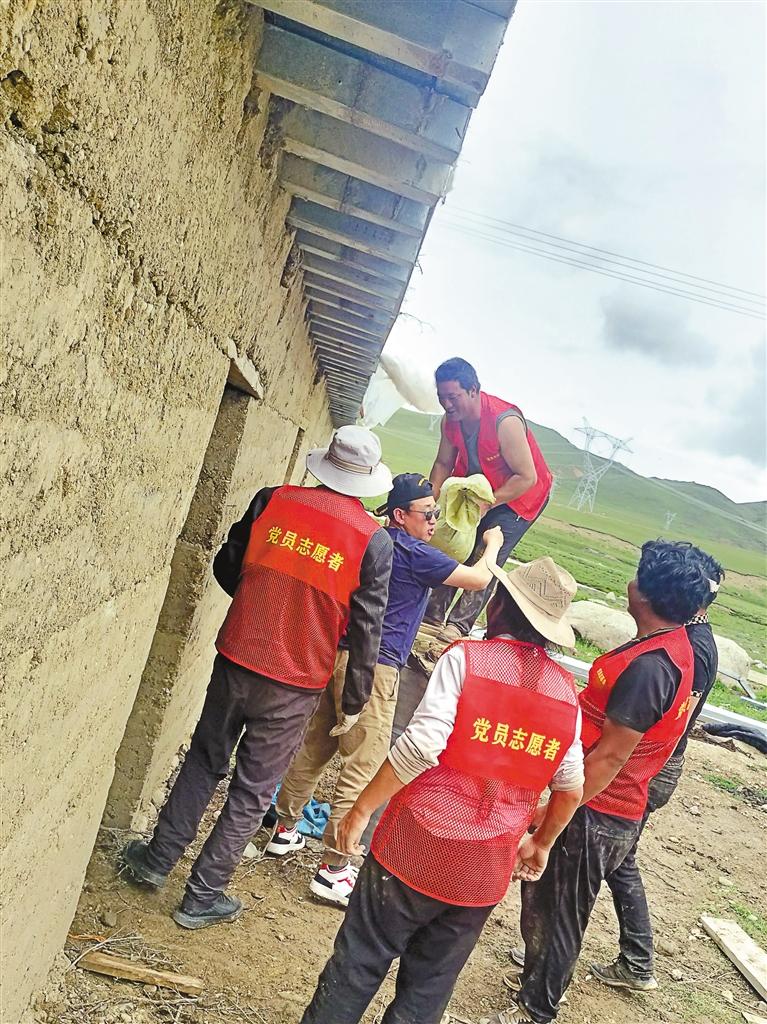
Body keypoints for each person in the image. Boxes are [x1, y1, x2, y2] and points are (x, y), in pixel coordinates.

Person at [119, 426, 394, 929]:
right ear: (366, 481)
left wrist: (256, 605)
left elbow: (228, 565)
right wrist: (354, 700)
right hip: (295, 682)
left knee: (204, 761)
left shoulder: (272, 500)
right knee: (252, 789)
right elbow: (365, 632)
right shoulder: (372, 543)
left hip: (236, 657)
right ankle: (201, 896)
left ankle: (156, 860)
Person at [299, 556, 585, 1024]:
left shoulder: (466, 660)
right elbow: (570, 787)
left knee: (359, 962)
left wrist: (361, 810)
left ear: (497, 605)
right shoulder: (566, 692)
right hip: (484, 869)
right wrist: (541, 843)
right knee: (429, 988)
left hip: (413, 847)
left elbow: (421, 747)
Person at [489, 540, 712, 1023]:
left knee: (560, 910)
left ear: (645, 594)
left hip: (599, 807)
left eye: (637, 576)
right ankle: (537, 978)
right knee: (549, 900)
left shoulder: (651, 668)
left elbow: (610, 757)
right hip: (603, 804)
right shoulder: (665, 646)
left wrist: (555, 809)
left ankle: (537, 1008)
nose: (630, 583)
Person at [266, 473, 504, 907]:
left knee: (314, 746)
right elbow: (476, 580)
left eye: (435, 513)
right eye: (427, 514)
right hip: (377, 668)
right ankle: (334, 869)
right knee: (362, 764)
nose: (434, 521)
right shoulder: (414, 553)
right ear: (400, 515)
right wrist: (492, 545)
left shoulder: (372, 540)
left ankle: (283, 829)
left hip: (337, 654)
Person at [588, 548, 724, 991]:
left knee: (610, 855)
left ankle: (635, 960)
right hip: (649, 759)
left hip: (649, 762)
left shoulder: (688, 647)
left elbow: (660, 720)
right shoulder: (689, 637)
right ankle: (615, 956)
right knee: (613, 856)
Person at [423, 357, 552, 640]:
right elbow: (443, 463)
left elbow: (526, 477)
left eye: (453, 397)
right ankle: (432, 615)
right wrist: (429, 501)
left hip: (518, 495)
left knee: (487, 550)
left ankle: (458, 625)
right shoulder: (450, 421)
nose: (446, 404)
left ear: (473, 390)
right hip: (474, 488)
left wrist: (488, 504)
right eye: (442, 397)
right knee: (455, 542)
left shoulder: (505, 421)